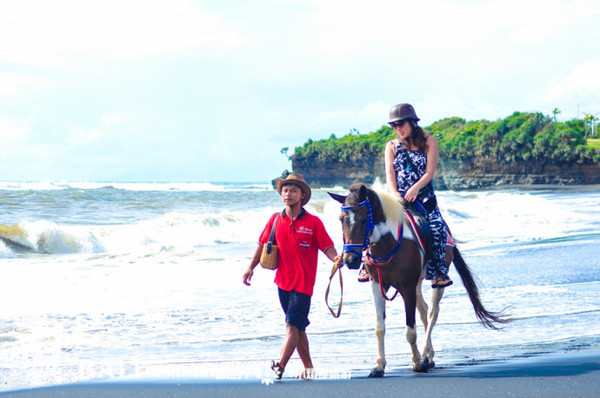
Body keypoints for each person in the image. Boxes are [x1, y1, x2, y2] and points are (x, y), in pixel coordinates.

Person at [243, 173, 341, 380]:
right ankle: (309, 369)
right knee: (298, 327)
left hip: (303, 284)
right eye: (285, 190)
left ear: (302, 195)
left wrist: (336, 259)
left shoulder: (313, 222)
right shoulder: (275, 219)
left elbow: (327, 246)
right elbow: (262, 245)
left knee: (291, 325)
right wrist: (250, 268)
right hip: (282, 282)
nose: (288, 194)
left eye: (293, 190)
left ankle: (280, 365)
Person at [383, 103, 453, 289]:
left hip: (425, 200)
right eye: (395, 126)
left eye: (402, 124)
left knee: (438, 229)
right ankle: (369, 268)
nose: (398, 129)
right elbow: (390, 175)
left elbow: (429, 173)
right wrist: (395, 193)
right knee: (372, 223)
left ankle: (439, 272)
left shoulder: (429, 141)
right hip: (399, 201)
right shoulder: (391, 146)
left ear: (412, 122)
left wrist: (415, 188)